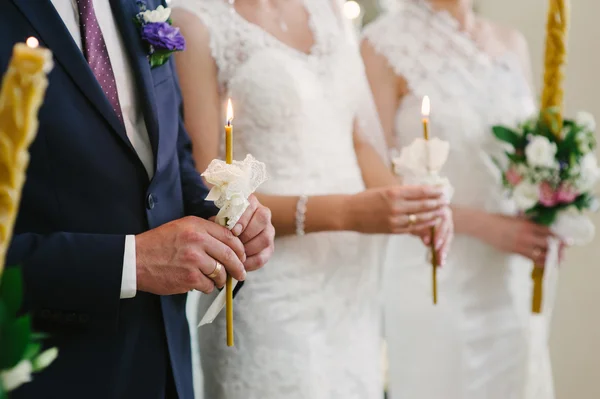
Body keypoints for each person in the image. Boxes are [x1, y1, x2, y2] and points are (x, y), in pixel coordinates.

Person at [171, 0, 453, 398]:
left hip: (350, 285)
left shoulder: (331, 11)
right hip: (268, 284)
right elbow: (208, 190)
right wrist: (348, 212)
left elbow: (356, 139)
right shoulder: (197, 23)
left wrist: (409, 207)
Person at [1, 0, 274, 398]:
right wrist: (132, 263)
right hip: (51, 371)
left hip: (165, 364)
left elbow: (170, 156)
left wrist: (222, 218)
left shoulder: (146, 3)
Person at [362, 0, 560, 397]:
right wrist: (487, 227)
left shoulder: (511, 43)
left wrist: (554, 211)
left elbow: (532, 157)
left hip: (511, 275)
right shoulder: (381, 45)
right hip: (435, 266)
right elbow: (374, 178)